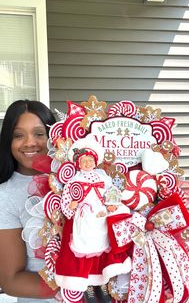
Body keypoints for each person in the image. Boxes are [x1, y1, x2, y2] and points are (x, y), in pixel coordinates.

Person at [54, 137, 131, 294]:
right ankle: (88, 284)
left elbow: (112, 192)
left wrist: (112, 204)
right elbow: (67, 201)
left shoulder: (103, 178)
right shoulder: (74, 181)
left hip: (101, 217)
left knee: (102, 246)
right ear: (78, 164)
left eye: (90, 160)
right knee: (84, 248)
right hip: (83, 219)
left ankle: (102, 283)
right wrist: (71, 205)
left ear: (96, 162)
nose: (88, 163)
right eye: (84, 161)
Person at [0, 100, 59, 302]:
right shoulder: (5, 195)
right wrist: (77, 287)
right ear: (8, 140)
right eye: (18, 135)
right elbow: (11, 280)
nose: (29, 143)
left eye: (39, 134)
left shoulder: (78, 178)